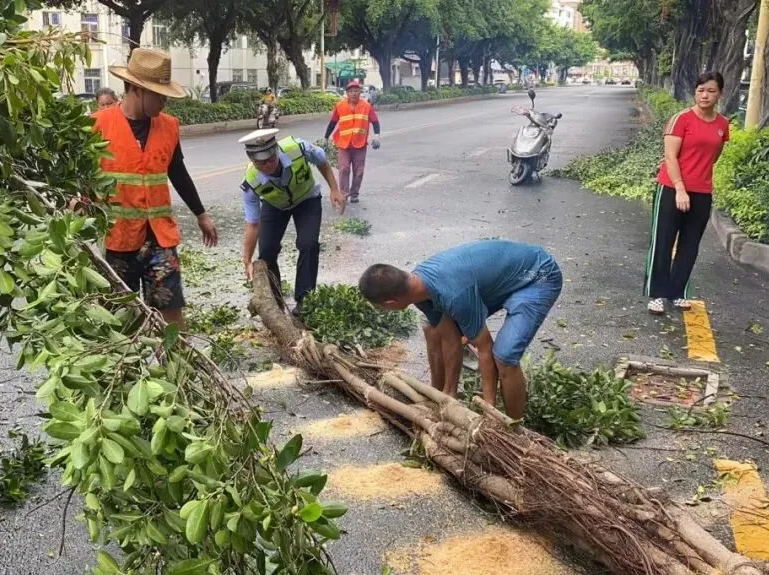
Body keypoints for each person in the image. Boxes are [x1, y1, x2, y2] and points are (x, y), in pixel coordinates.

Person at [358, 240, 563, 420]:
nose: (384, 311)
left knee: (504, 356)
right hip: (498, 280)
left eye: (382, 307)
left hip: (537, 276)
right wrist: (449, 396)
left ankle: (513, 426)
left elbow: (485, 348)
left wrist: (487, 406)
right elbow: (450, 338)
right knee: (431, 328)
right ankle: (439, 393)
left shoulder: (454, 295)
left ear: (392, 302)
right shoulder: (416, 288)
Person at [93, 48, 218, 328]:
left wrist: (201, 214)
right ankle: (124, 371)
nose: (164, 101)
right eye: (159, 94)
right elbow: (81, 176)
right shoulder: (98, 126)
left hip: (160, 239)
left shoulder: (169, 126)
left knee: (171, 313)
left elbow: (177, 172)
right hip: (118, 240)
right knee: (119, 318)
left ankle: (176, 369)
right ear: (137, 88)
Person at [644, 71, 730, 315]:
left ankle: (678, 292)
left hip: (702, 192)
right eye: (701, 90)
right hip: (671, 189)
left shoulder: (723, 124)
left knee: (690, 245)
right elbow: (670, 157)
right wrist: (681, 188)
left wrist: (697, 182)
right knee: (663, 242)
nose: (705, 95)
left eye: (711, 91)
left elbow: (714, 156)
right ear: (695, 92)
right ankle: (658, 294)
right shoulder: (680, 119)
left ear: (719, 94)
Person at [239, 128, 346, 315]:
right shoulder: (251, 183)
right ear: (252, 160)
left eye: (271, 159)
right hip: (275, 206)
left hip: (307, 199)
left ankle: (305, 300)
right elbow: (253, 224)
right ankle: (276, 302)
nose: (267, 166)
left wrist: (334, 189)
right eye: (260, 163)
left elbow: (322, 161)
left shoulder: (298, 148)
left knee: (308, 244)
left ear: (277, 151)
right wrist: (247, 259)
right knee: (266, 253)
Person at [323, 80, 380, 204]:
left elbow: (375, 121)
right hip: (344, 144)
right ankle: (344, 194)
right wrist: (326, 138)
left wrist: (377, 136)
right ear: (347, 93)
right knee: (344, 169)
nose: (353, 93)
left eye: (356, 91)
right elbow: (333, 123)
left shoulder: (366, 106)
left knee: (359, 171)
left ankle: (354, 193)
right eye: (351, 91)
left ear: (360, 92)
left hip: (360, 144)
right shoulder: (340, 106)